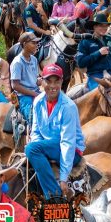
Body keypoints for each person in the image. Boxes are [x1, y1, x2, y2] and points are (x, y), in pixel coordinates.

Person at [25, 64, 86, 200]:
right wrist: (39, 146)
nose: (52, 86)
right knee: (34, 151)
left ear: (61, 81)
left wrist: (63, 177)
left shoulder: (68, 107)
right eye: (48, 81)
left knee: (31, 149)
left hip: (70, 150)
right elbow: (35, 131)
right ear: (42, 81)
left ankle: (55, 196)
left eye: (56, 81)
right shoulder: (38, 101)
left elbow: (67, 143)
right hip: (49, 146)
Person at [76, 13, 111, 91]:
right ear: (94, 27)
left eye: (106, 26)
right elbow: (81, 63)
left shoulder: (109, 39)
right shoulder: (85, 42)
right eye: (101, 26)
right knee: (101, 94)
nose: (104, 28)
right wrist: (98, 53)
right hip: (96, 76)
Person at [10, 32, 41, 123]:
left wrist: (39, 81)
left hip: (36, 92)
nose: (36, 45)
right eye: (33, 43)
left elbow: (35, 79)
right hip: (24, 96)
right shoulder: (17, 62)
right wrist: (35, 94)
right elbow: (15, 85)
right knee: (33, 119)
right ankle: (31, 136)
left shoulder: (34, 59)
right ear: (24, 44)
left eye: (36, 43)